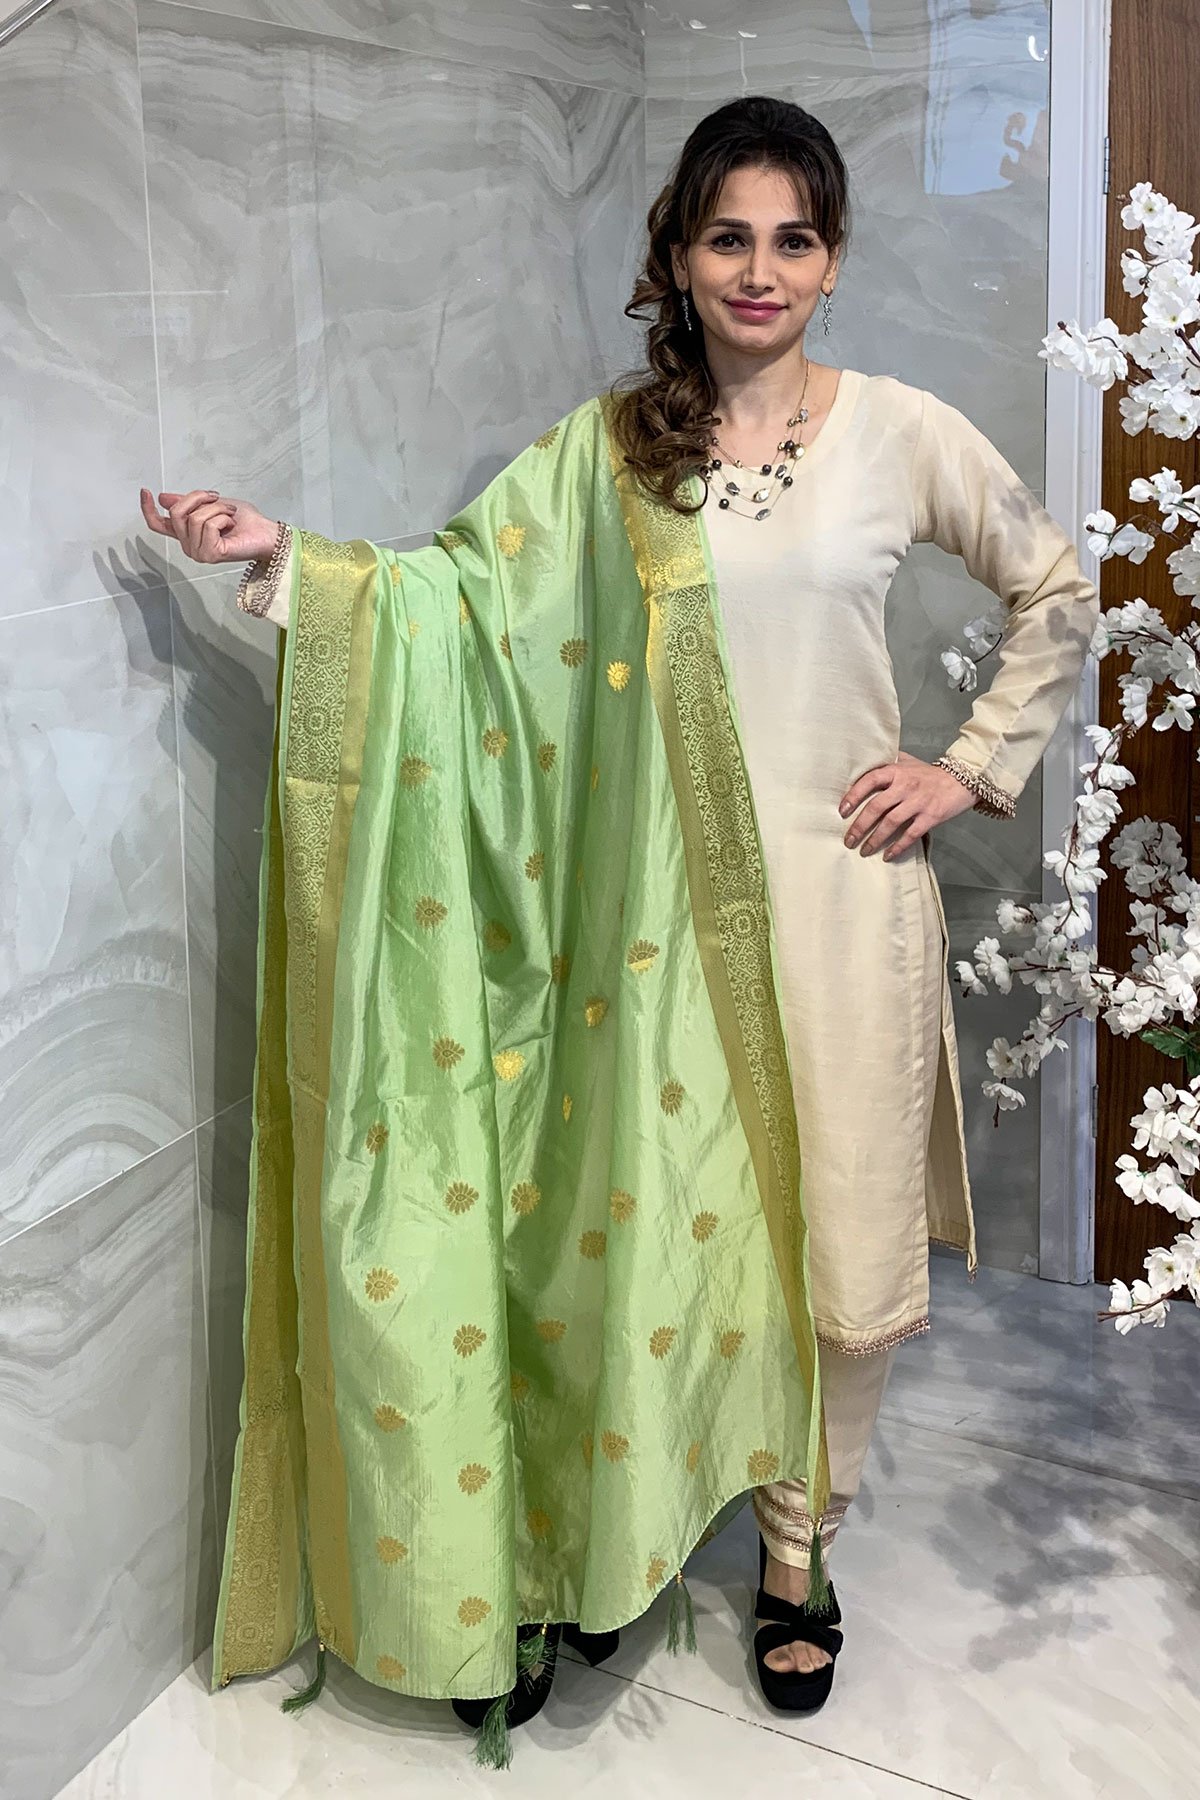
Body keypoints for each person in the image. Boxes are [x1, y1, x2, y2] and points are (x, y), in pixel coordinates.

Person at [139, 95, 1099, 1764]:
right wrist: (290, 557)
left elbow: (1057, 586)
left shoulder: (899, 431)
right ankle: (626, 1528)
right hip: (652, 935)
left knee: (838, 1240)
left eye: (794, 238)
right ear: (677, 254)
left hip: (841, 905)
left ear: (834, 260)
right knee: (646, 1233)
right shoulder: (613, 453)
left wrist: (965, 769)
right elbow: (459, 598)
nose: (761, 269)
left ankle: (798, 1550)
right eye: (729, 236)